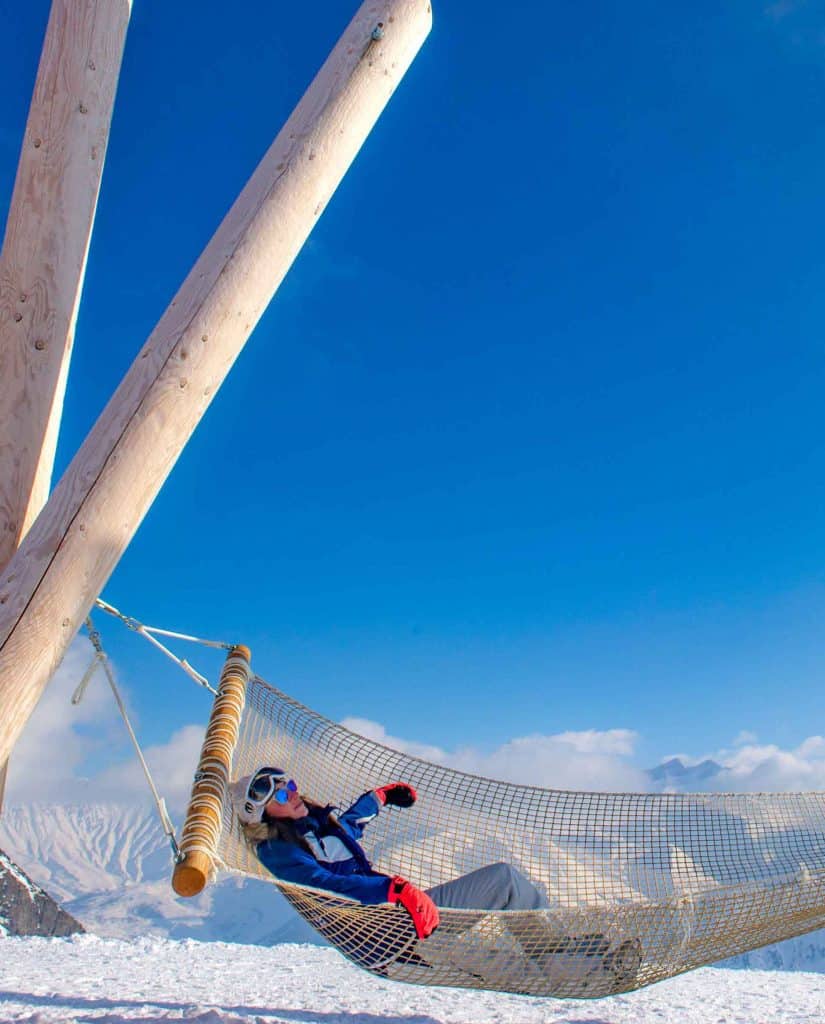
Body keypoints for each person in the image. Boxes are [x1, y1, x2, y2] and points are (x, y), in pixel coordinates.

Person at [230, 766, 641, 989]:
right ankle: (597, 971)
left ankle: (578, 955)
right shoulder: (280, 853)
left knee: (506, 888)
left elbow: (350, 826)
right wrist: (394, 890)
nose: (294, 793)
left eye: (292, 785)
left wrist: (381, 797)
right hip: (387, 939)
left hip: (399, 920)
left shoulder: (316, 827)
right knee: (505, 939)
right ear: (262, 813)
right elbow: (329, 887)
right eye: (281, 795)